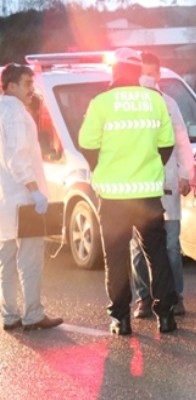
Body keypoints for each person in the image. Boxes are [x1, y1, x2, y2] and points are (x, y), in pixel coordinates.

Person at [78, 48, 178, 335]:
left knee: (116, 256)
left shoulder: (100, 103)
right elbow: (167, 144)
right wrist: (149, 168)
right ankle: (166, 315)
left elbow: (87, 143)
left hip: (112, 196)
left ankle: (121, 319)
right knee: (157, 253)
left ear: (114, 71)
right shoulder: (155, 100)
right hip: (147, 194)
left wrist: (101, 167)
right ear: (138, 72)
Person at [0, 63, 63, 331]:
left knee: (7, 259)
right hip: (23, 200)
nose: (32, 90)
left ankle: (10, 315)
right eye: (27, 84)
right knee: (30, 260)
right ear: (11, 85)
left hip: (5, 200)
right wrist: (34, 190)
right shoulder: (14, 112)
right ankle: (33, 314)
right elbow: (17, 157)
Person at [131, 51, 194, 319]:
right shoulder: (129, 106)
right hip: (136, 187)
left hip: (165, 184)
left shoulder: (168, 104)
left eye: (151, 73)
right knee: (138, 246)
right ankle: (144, 297)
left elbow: (181, 140)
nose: (147, 78)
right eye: (142, 72)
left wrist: (186, 174)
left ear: (158, 75)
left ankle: (174, 296)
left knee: (170, 244)